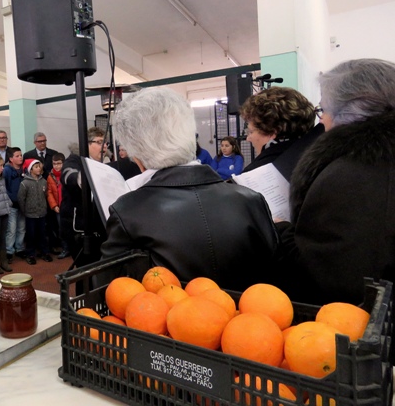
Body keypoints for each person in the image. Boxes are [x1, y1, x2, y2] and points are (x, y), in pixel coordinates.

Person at [100, 88, 280, 293]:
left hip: (169, 322)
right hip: (253, 320)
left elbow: (111, 289)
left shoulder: (127, 211)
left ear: (137, 157)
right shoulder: (251, 200)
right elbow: (275, 274)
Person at [277, 58, 395, 305]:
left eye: (323, 110)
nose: (321, 121)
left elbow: (329, 275)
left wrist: (280, 231)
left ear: (351, 110)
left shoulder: (349, 175)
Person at [240, 86, 324, 180]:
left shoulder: (253, 177)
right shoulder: (322, 162)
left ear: (272, 132)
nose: (248, 138)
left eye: (251, 131)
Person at [61, 127, 108, 271]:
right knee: (85, 270)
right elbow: (68, 176)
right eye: (99, 142)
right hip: (79, 229)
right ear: (87, 144)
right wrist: (81, 177)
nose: (104, 146)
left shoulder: (105, 162)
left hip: (100, 227)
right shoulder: (74, 160)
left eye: (105, 143)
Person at [18, 158, 51, 264]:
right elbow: (21, 198)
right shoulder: (25, 183)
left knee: (42, 234)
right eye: (36, 167)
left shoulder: (44, 182)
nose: (38, 169)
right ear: (30, 169)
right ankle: (30, 254)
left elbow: (45, 195)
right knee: (31, 235)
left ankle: (45, 252)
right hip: (30, 214)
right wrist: (25, 211)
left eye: (39, 167)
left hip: (41, 213)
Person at [3, 147, 26, 263]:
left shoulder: (23, 170)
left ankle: (20, 248)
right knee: (11, 229)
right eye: (17, 156)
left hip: (22, 204)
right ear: (11, 159)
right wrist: (9, 200)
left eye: (21, 155)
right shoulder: (7, 170)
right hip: (12, 204)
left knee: (21, 227)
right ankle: (9, 251)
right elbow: (4, 187)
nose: (20, 157)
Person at [46, 152, 69, 259]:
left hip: (68, 205)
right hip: (58, 207)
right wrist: (54, 205)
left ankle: (73, 248)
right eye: (54, 164)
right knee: (61, 229)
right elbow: (49, 192)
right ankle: (65, 248)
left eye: (59, 163)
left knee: (70, 228)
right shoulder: (50, 176)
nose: (57, 166)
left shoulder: (68, 174)